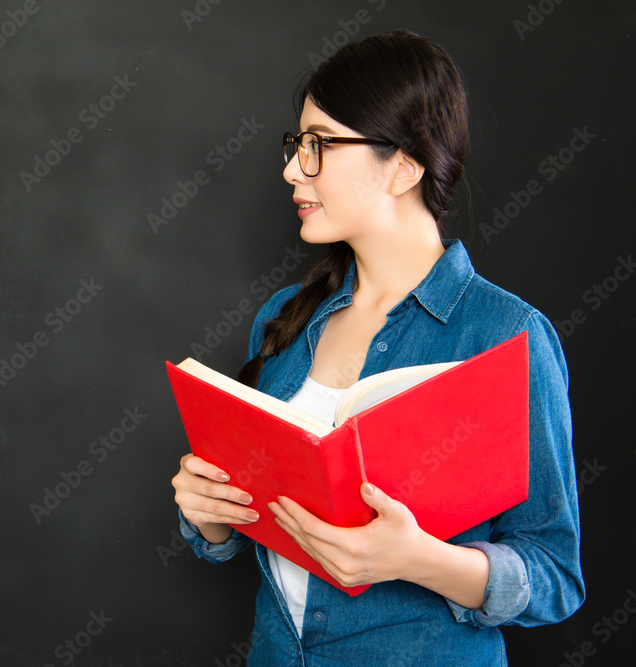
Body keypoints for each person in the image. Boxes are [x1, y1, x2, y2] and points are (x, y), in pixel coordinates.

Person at [171, 29, 584, 665]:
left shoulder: (507, 336)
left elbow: (554, 577)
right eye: (295, 144)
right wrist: (210, 515)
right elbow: (241, 531)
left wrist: (421, 561)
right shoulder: (284, 317)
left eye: (318, 147)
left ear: (404, 165)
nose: (291, 169)